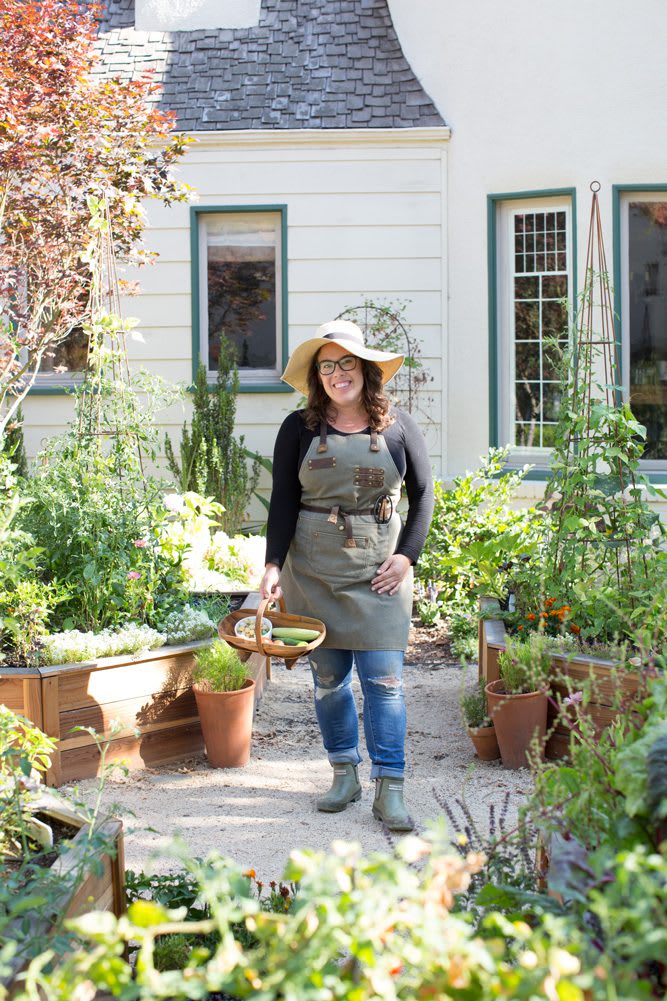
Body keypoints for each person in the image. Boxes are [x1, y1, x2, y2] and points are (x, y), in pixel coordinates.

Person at [259, 320, 434, 832]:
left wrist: (407, 558)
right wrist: (273, 564)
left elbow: (424, 496)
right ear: (318, 376)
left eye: (347, 363)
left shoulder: (398, 426)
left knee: (385, 680)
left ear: (365, 370)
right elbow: (284, 500)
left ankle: (391, 789)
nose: (339, 374)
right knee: (329, 679)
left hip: (380, 572)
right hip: (312, 572)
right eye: (328, 366)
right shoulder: (298, 429)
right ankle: (343, 774)